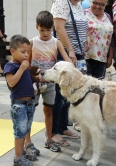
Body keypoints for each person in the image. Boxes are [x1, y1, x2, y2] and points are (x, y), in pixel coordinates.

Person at [28, 11, 72, 152]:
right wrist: (32, 76)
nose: (45, 33)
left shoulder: (56, 42)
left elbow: (67, 60)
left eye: (48, 30)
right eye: (42, 30)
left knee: (49, 111)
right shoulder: (32, 42)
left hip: (50, 84)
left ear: (52, 27)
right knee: (30, 111)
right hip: (34, 84)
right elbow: (27, 64)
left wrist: (71, 68)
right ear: (37, 27)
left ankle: (48, 139)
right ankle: (27, 142)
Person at [51, 0, 88, 140]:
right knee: (60, 94)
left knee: (68, 92)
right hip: (64, 54)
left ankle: (63, 126)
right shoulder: (62, 1)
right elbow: (59, 28)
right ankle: (54, 131)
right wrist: (70, 50)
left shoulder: (78, 5)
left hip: (76, 54)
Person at [4, 35, 39, 166]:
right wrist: (22, 69)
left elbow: (26, 80)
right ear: (13, 51)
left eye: (28, 52)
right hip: (18, 105)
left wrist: (36, 78)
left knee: (25, 129)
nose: (26, 55)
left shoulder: (22, 65)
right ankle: (17, 158)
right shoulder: (10, 66)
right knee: (19, 131)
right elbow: (12, 83)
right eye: (23, 52)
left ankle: (22, 151)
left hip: (29, 103)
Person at [84, 0, 114, 78]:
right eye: (95, 3)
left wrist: (110, 57)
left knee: (98, 87)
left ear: (105, 5)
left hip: (102, 59)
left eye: (102, 4)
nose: (98, 6)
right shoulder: (83, 14)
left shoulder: (108, 16)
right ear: (90, 1)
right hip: (86, 58)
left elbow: (111, 38)